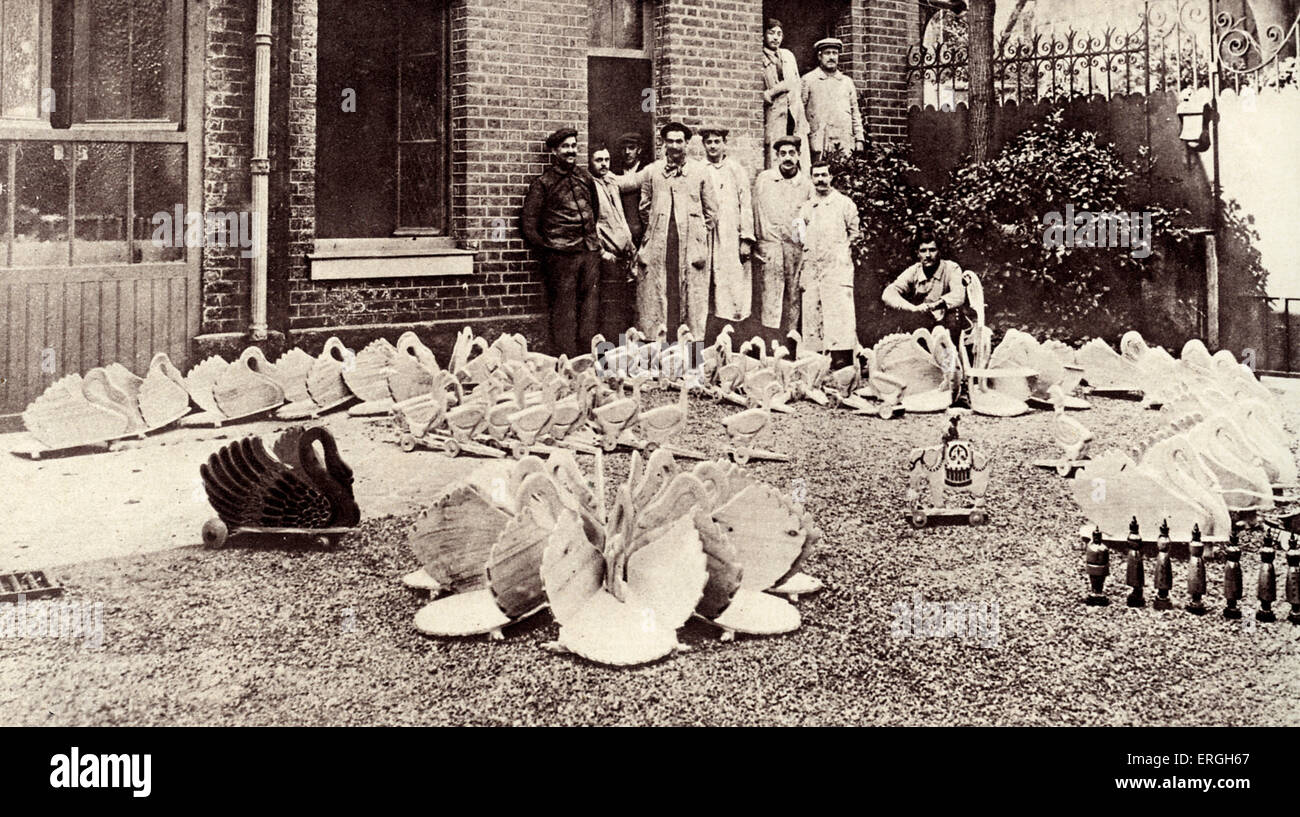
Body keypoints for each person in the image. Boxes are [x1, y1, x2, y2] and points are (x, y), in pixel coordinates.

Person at [520, 127, 602, 357]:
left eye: (574, 146)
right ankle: (567, 358)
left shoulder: (585, 177)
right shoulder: (544, 183)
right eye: (565, 147)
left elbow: (594, 210)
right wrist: (549, 249)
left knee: (590, 307)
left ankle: (588, 356)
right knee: (564, 309)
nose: (571, 151)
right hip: (561, 256)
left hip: (589, 251)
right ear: (555, 151)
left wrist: (589, 241)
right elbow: (528, 223)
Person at [635, 121, 719, 338]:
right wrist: (657, 226)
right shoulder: (653, 171)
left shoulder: (700, 171)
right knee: (659, 292)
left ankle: (691, 345)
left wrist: (699, 233)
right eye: (670, 141)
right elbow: (644, 206)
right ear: (664, 143)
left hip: (691, 245)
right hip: (661, 243)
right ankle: (659, 343)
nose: (674, 146)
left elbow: (711, 211)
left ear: (687, 143)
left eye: (679, 141)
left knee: (691, 295)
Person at [882, 229, 973, 406]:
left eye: (932, 250)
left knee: (953, 318)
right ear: (918, 253)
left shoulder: (951, 268)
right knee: (903, 317)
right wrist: (912, 308)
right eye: (923, 251)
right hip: (927, 322)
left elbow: (958, 296)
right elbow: (889, 293)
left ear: (939, 251)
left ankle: (957, 381)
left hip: (948, 321)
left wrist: (934, 305)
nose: (928, 255)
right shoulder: (914, 271)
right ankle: (913, 377)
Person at [795, 161, 860, 369]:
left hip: (837, 267)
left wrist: (841, 251)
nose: (821, 180)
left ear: (831, 177)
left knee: (839, 311)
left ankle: (842, 359)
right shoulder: (807, 207)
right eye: (816, 176)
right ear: (812, 179)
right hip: (813, 267)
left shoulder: (844, 204)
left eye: (824, 175)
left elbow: (855, 233)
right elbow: (801, 236)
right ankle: (816, 361)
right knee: (813, 310)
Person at [752, 135, 812, 340]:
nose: (787, 158)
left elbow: (811, 218)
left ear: (799, 156)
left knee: (793, 296)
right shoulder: (764, 180)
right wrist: (757, 245)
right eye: (783, 153)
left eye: (792, 153)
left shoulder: (806, 185)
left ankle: (791, 342)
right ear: (776, 156)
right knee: (769, 296)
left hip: (795, 249)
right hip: (770, 248)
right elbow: (755, 212)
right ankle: (769, 343)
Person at [699, 125, 754, 325]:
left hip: (731, 233)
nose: (713, 146)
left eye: (717, 142)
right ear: (703, 145)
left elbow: (746, 205)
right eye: (709, 142)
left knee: (731, 281)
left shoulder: (735, 169)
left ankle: (733, 328)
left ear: (724, 144)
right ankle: (709, 328)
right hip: (707, 233)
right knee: (707, 279)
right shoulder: (699, 169)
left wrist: (746, 239)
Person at [589, 144, 641, 337]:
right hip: (606, 255)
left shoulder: (611, 181)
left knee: (624, 303)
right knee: (608, 305)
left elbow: (634, 181)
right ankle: (608, 349)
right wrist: (602, 252)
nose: (604, 164)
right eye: (599, 160)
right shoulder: (589, 184)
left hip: (623, 253)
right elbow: (591, 223)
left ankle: (622, 346)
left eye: (607, 160)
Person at [801, 38, 865, 162]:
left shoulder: (847, 82)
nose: (831, 57)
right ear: (820, 56)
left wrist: (859, 139)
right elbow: (799, 112)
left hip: (844, 141)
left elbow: (855, 113)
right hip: (818, 141)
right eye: (827, 53)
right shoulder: (808, 80)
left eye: (834, 53)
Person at [761, 19, 810, 173]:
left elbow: (796, 84)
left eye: (779, 34)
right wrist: (775, 90)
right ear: (763, 35)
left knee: (800, 158)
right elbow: (760, 94)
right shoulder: (759, 58)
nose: (775, 38)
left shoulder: (788, 56)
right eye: (771, 33)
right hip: (774, 116)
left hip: (794, 114)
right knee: (776, 159)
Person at [616, 132, 648, 246]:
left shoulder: (645, 170)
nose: (627, 152)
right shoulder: (615, 171)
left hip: (641, 231)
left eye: (631, 148)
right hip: (621, 232)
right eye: (623, 149)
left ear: (639, 150)